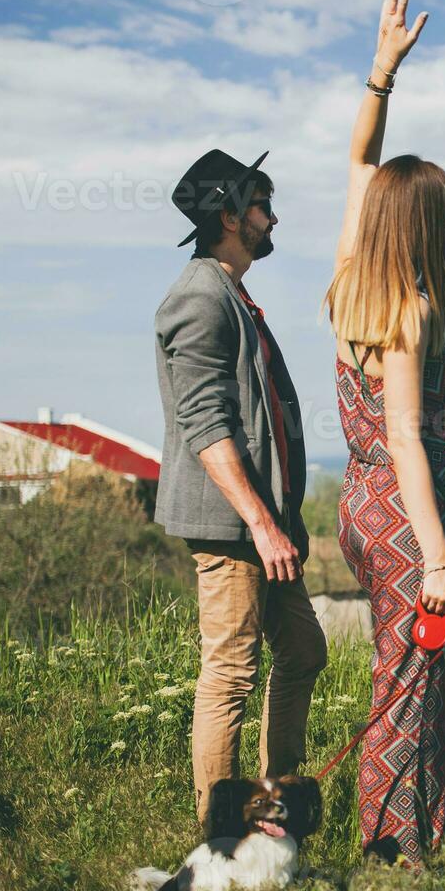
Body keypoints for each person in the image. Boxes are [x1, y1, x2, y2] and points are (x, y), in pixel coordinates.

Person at [325, 0, 445, 866]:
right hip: (408, 514)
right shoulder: (409, 309)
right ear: (426, 226)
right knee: (411, 684)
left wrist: (381, 72)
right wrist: (437, 558)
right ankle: (397, 847)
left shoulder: (352, 272)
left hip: (363, 504)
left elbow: (360, 165)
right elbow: (406, 438)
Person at [155, 145, 327, 826]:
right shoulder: (199, 296)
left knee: (304, 651)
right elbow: (205, 422)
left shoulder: (232, 292)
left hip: (263, 524)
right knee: (231, 671)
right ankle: (221, 832)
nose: (272, 216)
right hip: (233, 525)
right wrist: (258, 520)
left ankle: (275, 803)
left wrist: (276, 519)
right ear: (230, 216)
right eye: (262, 204)